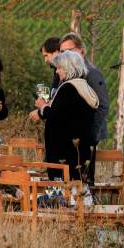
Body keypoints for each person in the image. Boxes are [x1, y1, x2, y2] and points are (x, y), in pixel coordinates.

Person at [34, 50, 98, 181]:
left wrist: (43, 106)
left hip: (65, 154)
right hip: (81, 150)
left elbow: (54, 116)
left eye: (59, 68)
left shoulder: (67, 89)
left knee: (63, 189)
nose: (57, 72)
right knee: (81, 186)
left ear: (68, 68)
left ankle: (60, 195)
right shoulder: (84, 87)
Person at [58, 32, 110, 184]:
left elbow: (103, 105)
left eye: (69, 50)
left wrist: (91, 133)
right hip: (70, 136)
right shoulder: (66, 72)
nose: (65, 55)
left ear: (81, 50)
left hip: (86, 137)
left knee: (84, 178)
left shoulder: (92, 73)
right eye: (62, 52)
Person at [30, 37, 60, 123]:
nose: (45, 60)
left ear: (56, 52)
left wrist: (41, 112)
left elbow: (60, 107)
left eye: (46, 55)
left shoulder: (65, 74)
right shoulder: (56, 71)